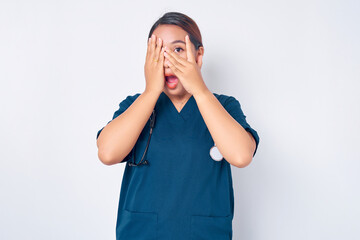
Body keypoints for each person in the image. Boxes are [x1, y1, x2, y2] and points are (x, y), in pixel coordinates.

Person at [96, 11, 260, 240]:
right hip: (141, 233)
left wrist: (200, 91)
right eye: (159, 52)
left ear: (199, 56)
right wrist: (151, 91)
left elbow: (242, 156)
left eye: (178, 50)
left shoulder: (224, 106)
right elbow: (107, 153)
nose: (168, 61)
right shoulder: (135, 105)